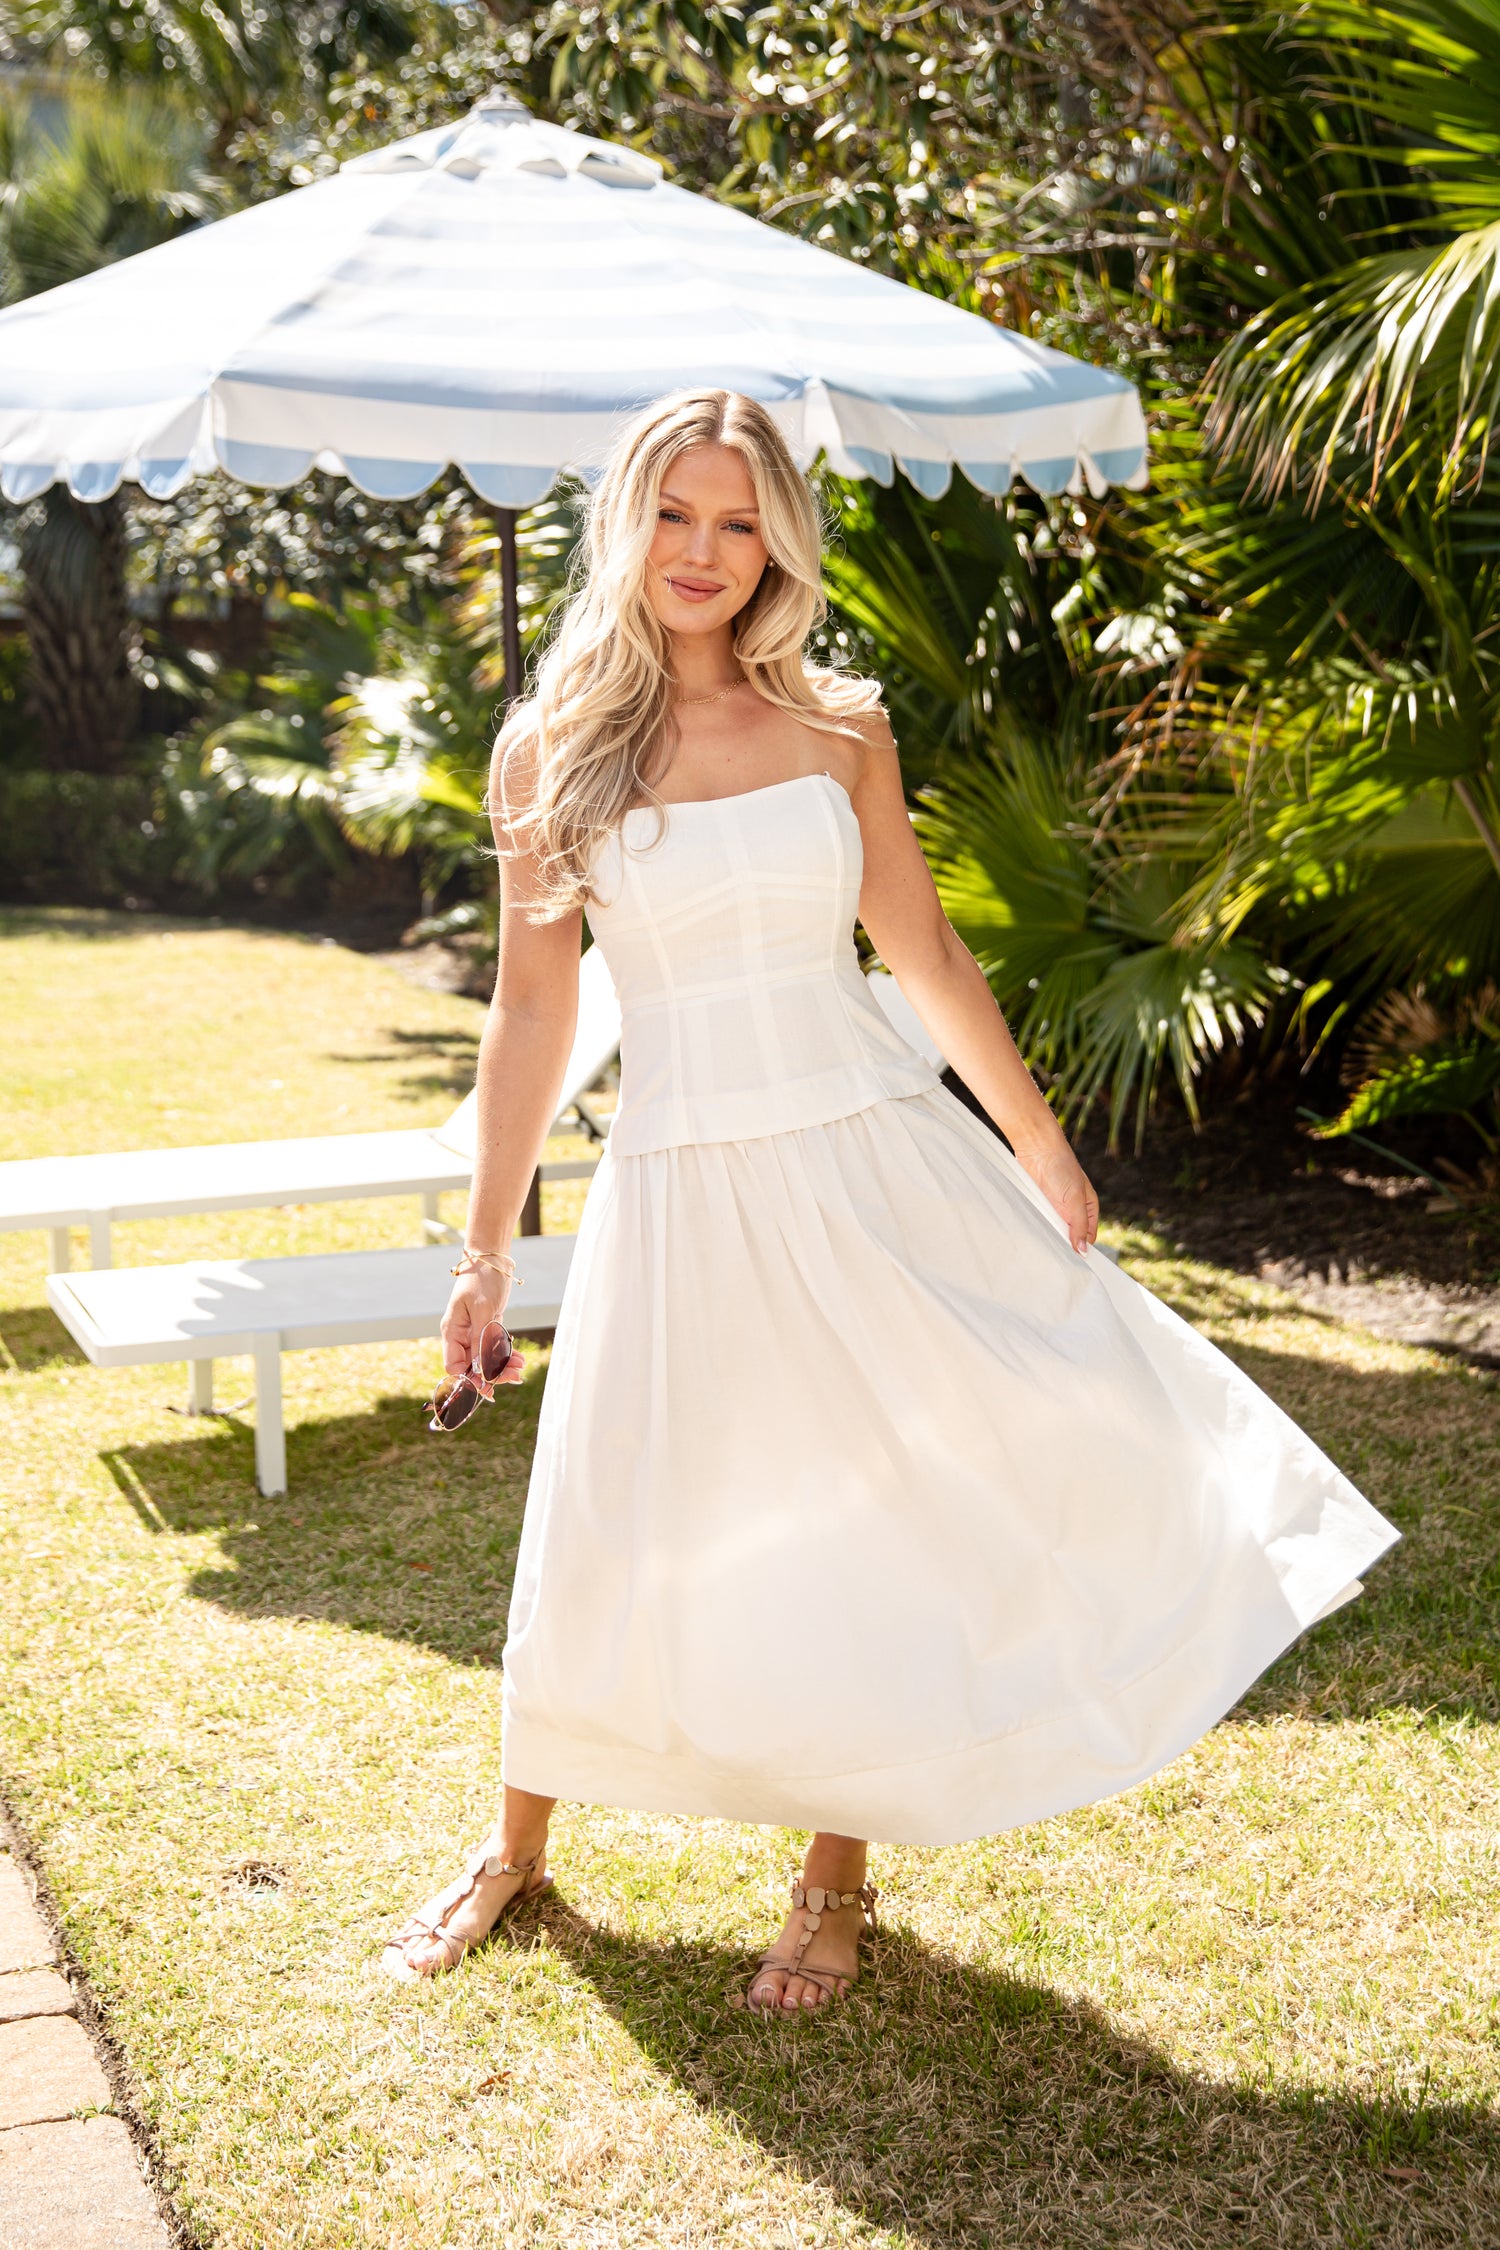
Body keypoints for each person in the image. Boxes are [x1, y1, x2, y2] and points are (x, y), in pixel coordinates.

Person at [382, 389, 1398, 2011]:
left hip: (867, 1148)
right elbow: (534, 1016)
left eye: (737, 520)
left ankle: (833, 1871)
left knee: (868, 1496)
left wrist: (1043, 1145)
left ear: (777, 537)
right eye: (674, 514)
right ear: (626, 522)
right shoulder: (551, 742)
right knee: (612, 1511)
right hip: (681, 1173)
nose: (703, 553)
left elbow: (920, 952)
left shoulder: (840, 725)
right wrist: (485, 1251)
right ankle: (514, 1845)